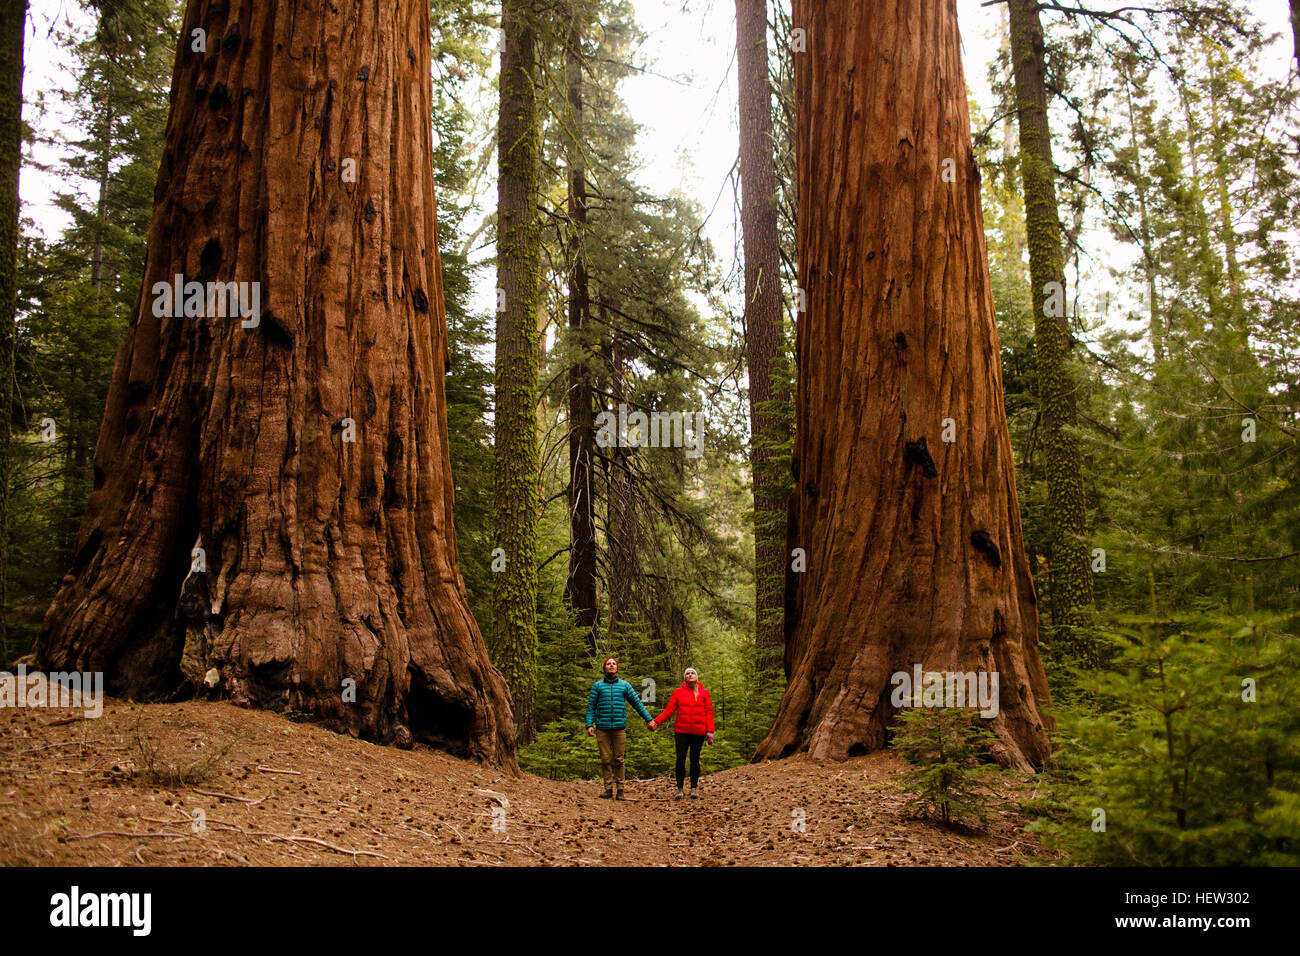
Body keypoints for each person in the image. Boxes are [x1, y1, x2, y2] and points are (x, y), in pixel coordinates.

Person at [586, 657, 656, 800]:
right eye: (608, 664)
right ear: (604, 667)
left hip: (619, 729)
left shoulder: (624, 686)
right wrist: (589, 724)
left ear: (617, 667)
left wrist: (649, 719)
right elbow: (591, 707)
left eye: (614, 664)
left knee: (619, 759)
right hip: (602, 728)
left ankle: (620, 790)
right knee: (605, 759)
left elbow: (637, 703)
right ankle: (608, 789)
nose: (611, 666)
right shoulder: (598, 686)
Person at [649, 667, 714, 800]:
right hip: (681, 732)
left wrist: (710, 731)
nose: (690, 675)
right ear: (684, 678)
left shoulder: (704, 693)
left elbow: (709, 712)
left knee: (695, 760)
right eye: (688, 674)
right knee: (680, 760)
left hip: (699, 732)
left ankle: (694, 788)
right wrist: (656, 722)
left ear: (697, 677)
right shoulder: (678, 692)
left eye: (693, 673)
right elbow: (669, 711)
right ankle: (680, 789)